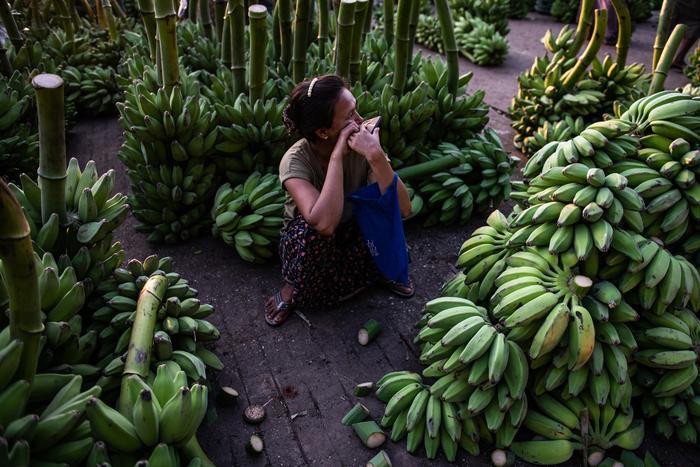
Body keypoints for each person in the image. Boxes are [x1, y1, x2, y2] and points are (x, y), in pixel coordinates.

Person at [264, 75, 414, 327]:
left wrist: (377, 156)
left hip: (354, 229)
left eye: (356, 110)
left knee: (383, 212)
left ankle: (381, 271)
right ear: (323, 132)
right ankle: (293, 286)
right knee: (312, 230)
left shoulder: (366, 146)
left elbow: (403, 209)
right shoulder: (295, 161)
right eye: (349, 117)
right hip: (310, 245)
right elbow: (324, 223)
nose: (359, 121)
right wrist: (337, 158)